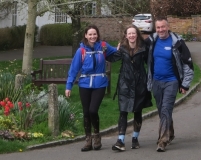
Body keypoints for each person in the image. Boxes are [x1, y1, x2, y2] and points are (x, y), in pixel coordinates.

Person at [65, 24, 117, 152]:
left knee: (93, 110)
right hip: (84, 83)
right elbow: (74, 69)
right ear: (86, 36)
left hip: (99, 83)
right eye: (90, 34)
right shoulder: (81, 51)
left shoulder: (103, 46)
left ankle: (97, 135)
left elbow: (117, 52)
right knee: (86, 112)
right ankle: (88, 139)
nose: (93, 36)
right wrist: (69, 86)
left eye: (95, 34)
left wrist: (125, 47)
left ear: (97, 35)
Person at [145, 17, 194, 152]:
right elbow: (136, 48)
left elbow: (188, 63)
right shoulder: (151, 41)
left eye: (163, 27)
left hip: (171, 81)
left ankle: (162, 140)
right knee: (161, 110)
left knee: (166, 108)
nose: (160, 30)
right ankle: (170, 133)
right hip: (156, 81)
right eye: (158, 27)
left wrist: (184, 84)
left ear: (168, 27)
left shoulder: (177, 42)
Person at [106, 25, 152, 151]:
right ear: (126, 36)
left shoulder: (144, 48)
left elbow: (150, 63)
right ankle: (120, 141)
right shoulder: (122, 49)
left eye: (133, 33)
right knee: (123, 112)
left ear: (137, 34)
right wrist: (104, 50)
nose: (131, 36)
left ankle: (135, 139)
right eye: (129, 34)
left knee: (137, 111)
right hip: (125, 84)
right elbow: (112, 58)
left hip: (139, 84)